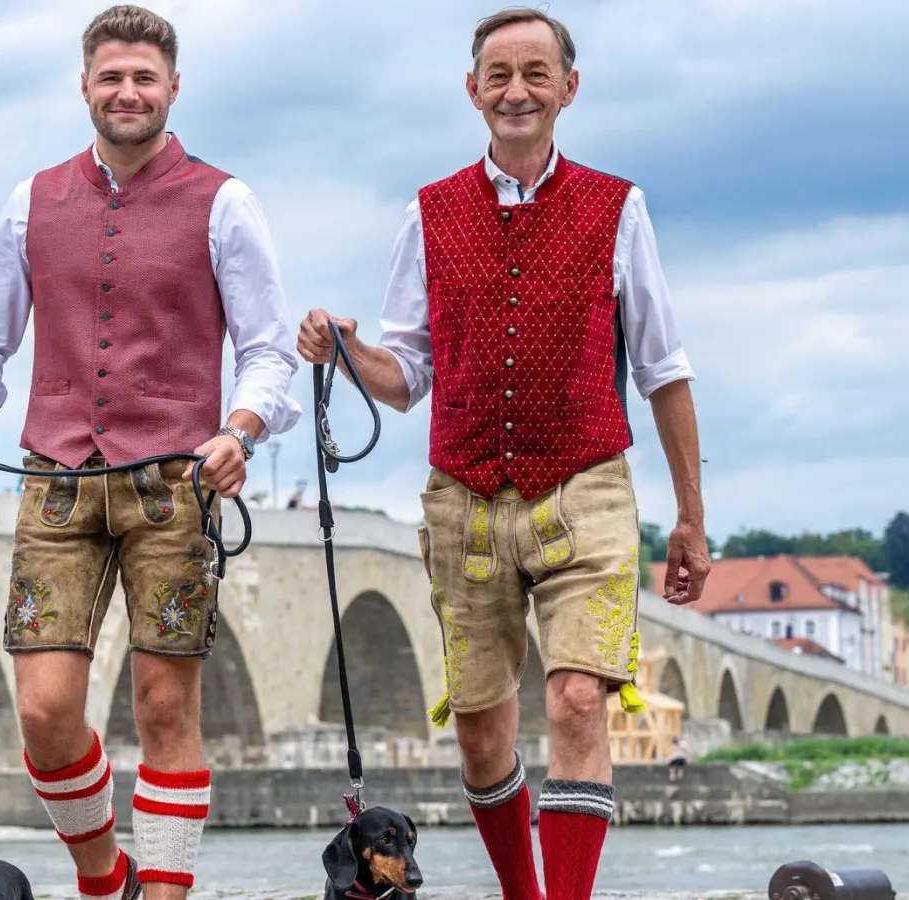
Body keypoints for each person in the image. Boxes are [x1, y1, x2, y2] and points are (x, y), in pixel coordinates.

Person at [297, 8, 710, 900]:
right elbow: (405, 375)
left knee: (574, 701)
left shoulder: (618, 206)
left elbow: (663, 370)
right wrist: (346, 351)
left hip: (587, 487)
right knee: (483, 730)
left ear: (568, 86)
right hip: (466, 500)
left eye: (535, 72)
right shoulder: (430, 211)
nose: (516, 89)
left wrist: (690, 517)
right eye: (498, 74)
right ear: (473, 90)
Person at [0, 6, 299, 898]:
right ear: (86, 87)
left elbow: (268, 349)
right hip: (56, 483)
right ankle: (106, 876)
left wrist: (241, 430)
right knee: (46, 712)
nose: (127, 92)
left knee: (165, 708)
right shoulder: (32, 201)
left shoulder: (225, 202)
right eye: (111, 77)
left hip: (177, 487)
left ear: (173, 87)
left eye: (144, 77)